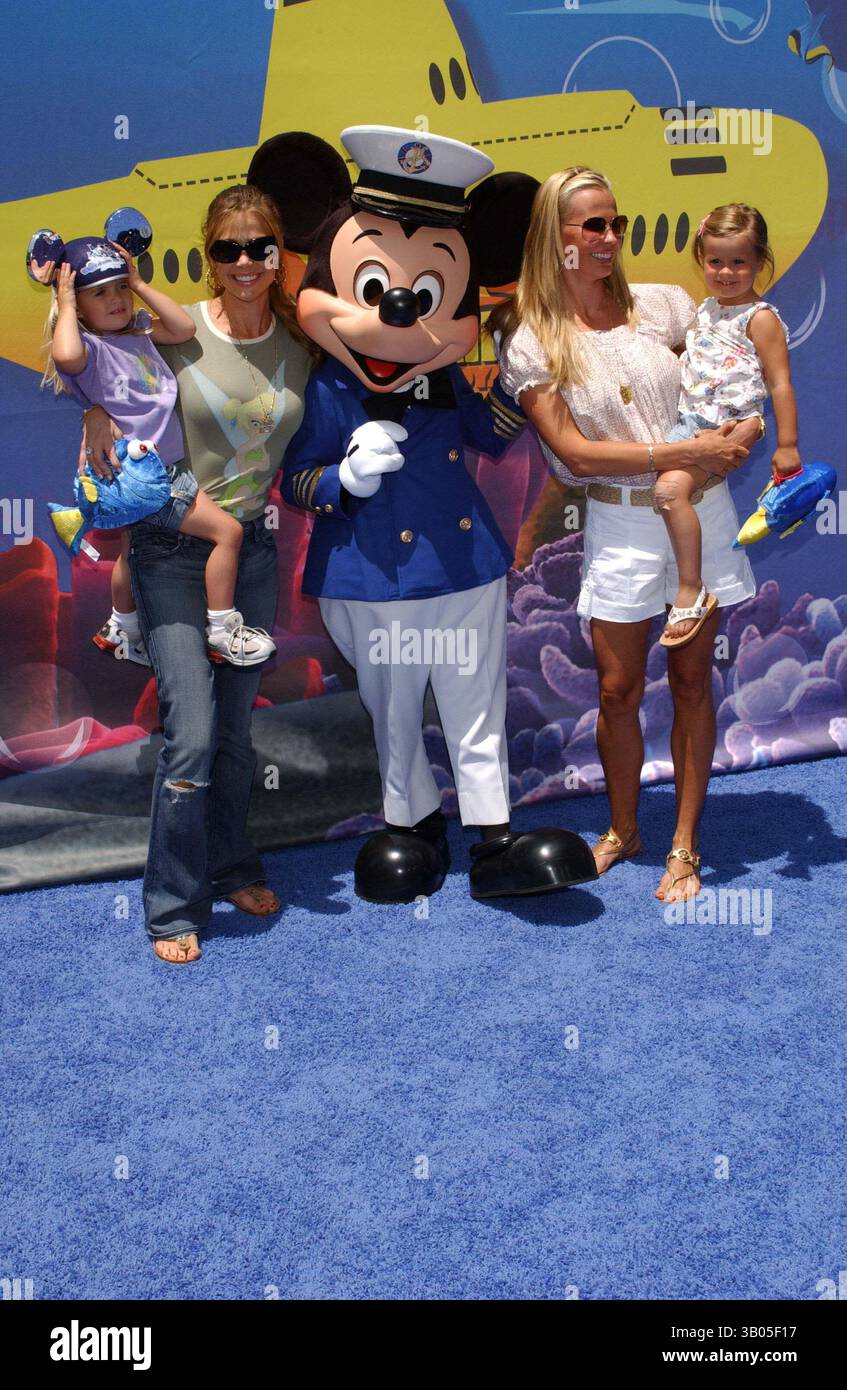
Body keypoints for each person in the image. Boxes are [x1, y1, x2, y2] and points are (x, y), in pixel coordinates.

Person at [494, 166, 763, 902]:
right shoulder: (531, 338)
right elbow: (575, 454)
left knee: (688, 681)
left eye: (615, 222)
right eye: (592, 225)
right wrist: (682, 453)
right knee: (614, 689)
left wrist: (738, 438)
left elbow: (738, 384)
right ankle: (622, 830)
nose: (609, 237)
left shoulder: (667, 307)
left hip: (697, 510)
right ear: (556, 236)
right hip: (615, 518)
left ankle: (683, 843)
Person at [80, 185, 317, 962]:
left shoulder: (297, 339)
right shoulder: (172, 330)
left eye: (259, 247)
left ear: (278, 252)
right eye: (228, 249)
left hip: (251, 552)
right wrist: (92, 411)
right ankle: (173, 906)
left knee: (237, 736)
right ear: (209, 258)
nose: (245, 262)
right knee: (193, 732)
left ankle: (231, 864)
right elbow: (101, 363)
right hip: (171, 550)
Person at [35, 231, 274, 667]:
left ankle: (122, 627)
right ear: (77, 308)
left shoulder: (139, 334)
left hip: (150, 472)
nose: (116, 299)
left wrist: (140, 283)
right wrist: (65, 301)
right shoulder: (89, 348)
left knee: (132, 546)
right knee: (229, 533)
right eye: (99, 293)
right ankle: (222, 630)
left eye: (120, 287)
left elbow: (183, 328)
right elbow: (66, 356)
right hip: (141, 475)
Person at [656, 203, 796, 648]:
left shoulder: (761, 318)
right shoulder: (702, 313)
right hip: (690, 424)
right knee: (660, 489)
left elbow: (780, 384)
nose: (726, 272)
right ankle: (682, 581)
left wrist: (787, 444)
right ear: (701, 259)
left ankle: (690, 590)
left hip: (735, 425)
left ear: (759, 263)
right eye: (715, 261)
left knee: (669, 490)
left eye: (739, 262)